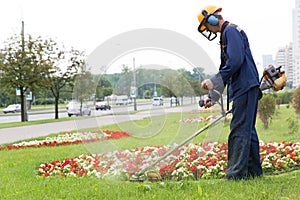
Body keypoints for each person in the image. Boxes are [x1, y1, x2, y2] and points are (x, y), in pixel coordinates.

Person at [197, 5, 263, 180]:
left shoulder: (230, 31)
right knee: (247, 129)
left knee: (239, 129)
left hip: (246, 86)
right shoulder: (227, 35)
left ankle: (235, 175)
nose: (208, 30)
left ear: (211, 20)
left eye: (207, 26)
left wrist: (213, 80)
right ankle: (254, 172)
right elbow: (226, 68)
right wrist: (213, 96)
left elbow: (235, 61)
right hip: (245, 87)